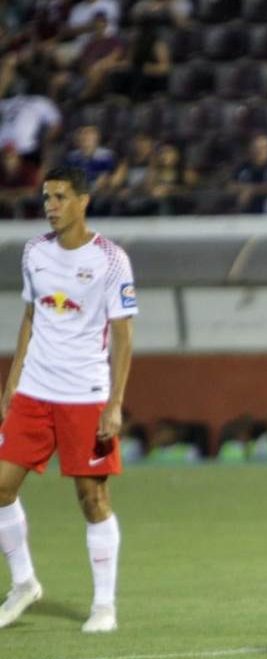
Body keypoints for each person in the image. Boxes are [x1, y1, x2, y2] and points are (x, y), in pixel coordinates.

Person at [0, 166, 137, 633]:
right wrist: (11, 383)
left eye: (59, 197)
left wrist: (115, 403)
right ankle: (24, 584)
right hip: (35, 391)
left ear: (83, 201)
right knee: (0, 486)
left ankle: (104, 604)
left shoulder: (111, 259)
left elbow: (123, 337)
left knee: (92, 497)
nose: (50, 206)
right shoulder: (34, 251)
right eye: (46, 198)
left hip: (85, 393)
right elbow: (30, 317)